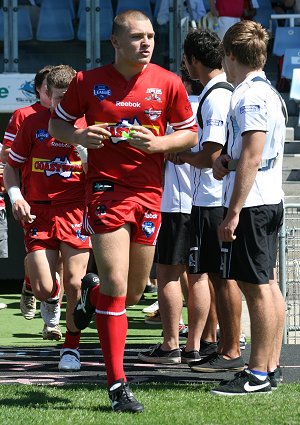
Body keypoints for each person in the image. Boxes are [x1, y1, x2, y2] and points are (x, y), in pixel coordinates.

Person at [48, 10, 198, 414]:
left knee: (130, 293)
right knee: (116, 283)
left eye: (150, 36)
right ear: (115, 42)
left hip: (150, 194)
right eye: (136, 37)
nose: (146, 43)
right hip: (106, 191)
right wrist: (79, 134)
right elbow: (57, 125)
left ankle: (88, 297)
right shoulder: (87, 81)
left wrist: (161, 145)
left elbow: (190, 132)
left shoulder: (168, 82)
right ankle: (117, 385)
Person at [211, 19, 286, 395]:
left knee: (255, 286)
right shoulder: (268, 91)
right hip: (268, 197)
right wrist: (228, 160)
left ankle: (258, 373)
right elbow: (250, 155)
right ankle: (270, 367)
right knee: (267, 284)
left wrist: (234, 211)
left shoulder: (249, 95)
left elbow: (254, 156)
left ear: (229, 55)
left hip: (254, 203)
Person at [4, 65, 90, 372]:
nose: (64, 105)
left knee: (75, 282)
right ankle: (33, 286)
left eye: (69, 99)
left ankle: (71, 347)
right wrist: (17, 197)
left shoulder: (87, 124)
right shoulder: (31, 122)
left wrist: (88, 156)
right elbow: (11, 166)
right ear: (46, 95)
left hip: (75, 210)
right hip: (38, 211)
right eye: (58, 99)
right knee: (45, 289)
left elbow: (105, 172)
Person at [169, 29, 245, 373]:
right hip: (215, 197)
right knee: (215, 276)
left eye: (186, 60)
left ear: (194, 60)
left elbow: (212, 152)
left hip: (214, 199)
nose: (184, 67)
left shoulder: (215, 96)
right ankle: (222, 344)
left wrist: (181, 155)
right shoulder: (221, 92)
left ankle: (229, 348)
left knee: (217, 277)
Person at [138, 66, 202, 365]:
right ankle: (201, 342)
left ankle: (172, 345)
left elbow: (160, 150)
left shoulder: (184, 112)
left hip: (176, 203)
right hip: (201, 201)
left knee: (168, 274)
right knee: (198, 274)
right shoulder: (217, 101)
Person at [1, 65, 56, 327]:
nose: (54, 91)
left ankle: (53, 321)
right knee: (40, 255)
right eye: (49, 86)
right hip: (34, 198)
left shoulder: (76, 116)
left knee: (64, 262)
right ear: (38, 89)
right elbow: (8, 155)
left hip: (70, 202)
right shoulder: (24, 115)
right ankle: (30, 284)